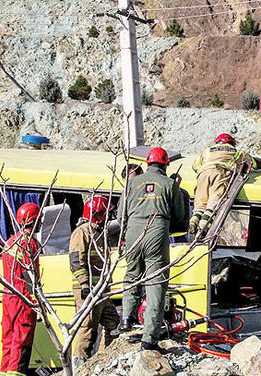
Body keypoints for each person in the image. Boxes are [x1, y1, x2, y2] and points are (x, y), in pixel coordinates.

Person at [117, 147, 188, 350]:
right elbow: (180, 220)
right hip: (156, 232)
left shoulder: (131, 184)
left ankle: (127, 319)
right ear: (165, 164)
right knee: (156, 285)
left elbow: (120, 216)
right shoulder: (170, 184)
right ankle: (149, 339)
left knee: (131, 275)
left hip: (133, 234)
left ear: (147, 163)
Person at [189, 133, 261, 238]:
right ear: (232, 143)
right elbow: (255, 163)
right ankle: (202, 231)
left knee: (200, 206)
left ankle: (193, 223)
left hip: (203, 175)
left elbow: (195, 166)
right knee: (213, 206)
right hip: (220, 173)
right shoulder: (236, 152)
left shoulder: (208, 150)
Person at [70, 196, 119, 364]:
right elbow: (76, 261)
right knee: (87, 329)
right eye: (106, 212)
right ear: (98, 214)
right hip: (89, 290)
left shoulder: (100, 232)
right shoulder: (81, 232)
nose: (109, 216)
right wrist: (84, 284)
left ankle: (104, 362)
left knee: (113, 324)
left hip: (102, 290)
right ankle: (79, 367)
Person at [0, 203, 41, 376]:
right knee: (21, 339)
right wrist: (36, 300)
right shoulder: (29, 244)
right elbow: (29, 274)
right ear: (34, 220)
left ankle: (4, 372)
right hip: (23, 296)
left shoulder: (10, 241)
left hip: (9, 295)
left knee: (8, 339)